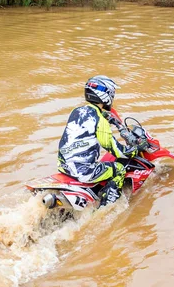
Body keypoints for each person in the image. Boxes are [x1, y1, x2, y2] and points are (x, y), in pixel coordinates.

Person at [57, 75, 139, 207]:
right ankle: (106, 206)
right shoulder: (99, 120)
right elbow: (116, 150)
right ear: (105, 95)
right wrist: (133, 150)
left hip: (64, 166)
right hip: (83, 170)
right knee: (119, 169)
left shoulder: (77, 111)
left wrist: (105, 116)